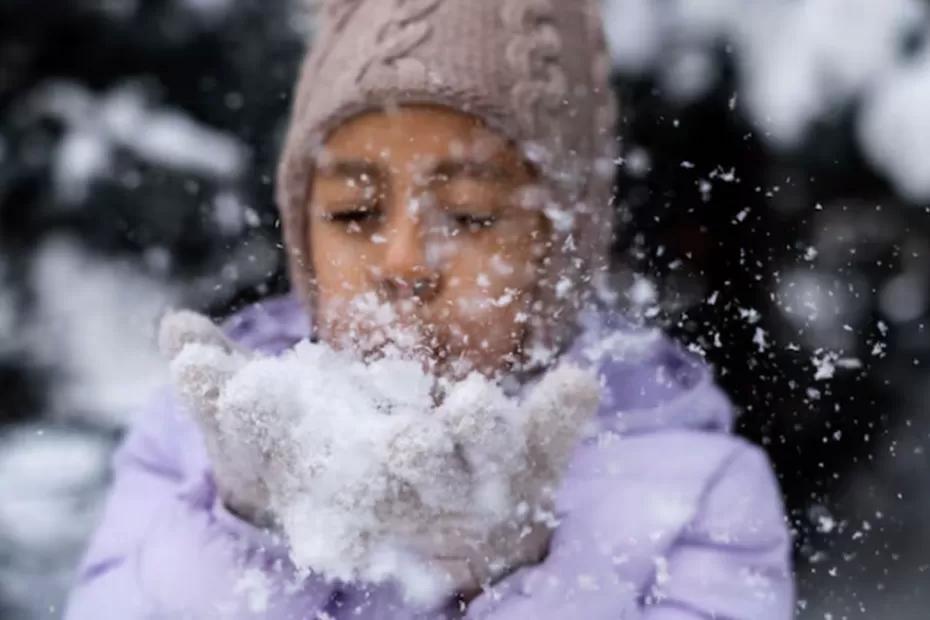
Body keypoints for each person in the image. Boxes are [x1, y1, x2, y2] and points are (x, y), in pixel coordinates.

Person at [65, 1, 794, 618]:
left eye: (469, 215)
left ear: (560, 249)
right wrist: (243, 538)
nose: (404, 264)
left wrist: (512, 576)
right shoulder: (192, 446)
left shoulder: (698, 493)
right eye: (354, 212)